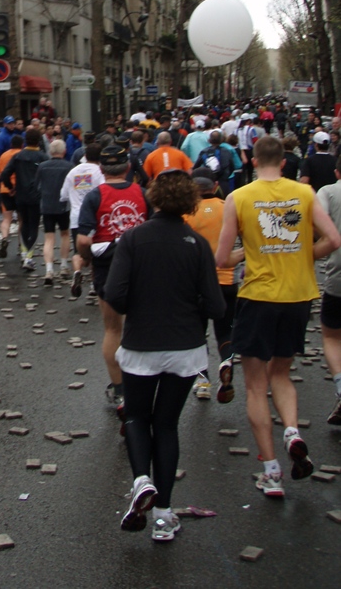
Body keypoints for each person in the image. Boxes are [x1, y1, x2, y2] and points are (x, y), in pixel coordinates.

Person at [215, 135, 341, 499]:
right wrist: (304, 256)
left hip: (258, 296)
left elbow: (222, 258)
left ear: (253, 161)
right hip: (298, 295)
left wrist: (246, 254)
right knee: (282, 375)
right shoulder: (304, 195)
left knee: (256, 386)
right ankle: (291, 431)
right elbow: (333, 238)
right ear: (284, 163)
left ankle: (271, 472)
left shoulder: (238, 198)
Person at [106, 169, 225, 542]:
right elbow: (217, 305)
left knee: (139, 418)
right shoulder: (196, 244)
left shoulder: (133, 239)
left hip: (142, 345)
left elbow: (116, 293)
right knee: (168, 424)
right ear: (191, 202)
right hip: (185, 347)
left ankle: (142, 480)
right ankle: (163, 515)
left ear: (154, 198)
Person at [76, 145, 150, 421]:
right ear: (128, 168)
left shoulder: (95, 196)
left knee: (112, 329)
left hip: (109, 268)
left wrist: (86, 259)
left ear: (101, 169)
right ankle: (143, 384)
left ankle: (120, 390)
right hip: (141, 266)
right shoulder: (143, 194)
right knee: (140, 326)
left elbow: (84, 240)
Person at [184, 167, 239, 402]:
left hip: (197, 283)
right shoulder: (229, 207)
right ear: (214, 186)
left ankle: (202, 379)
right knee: (225, 330)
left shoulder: (187, 212)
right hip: (227, 280)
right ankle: (226, 360)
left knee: (197, 333)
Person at [0, 128, 48, 271]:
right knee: (33, 225)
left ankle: (23, 253)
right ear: (39, 141)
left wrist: (11, 187)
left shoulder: (18, 157)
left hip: (20, 195)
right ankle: (28, 256)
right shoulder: (43, 157)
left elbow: (4, 175)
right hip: (36, 196)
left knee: (24, 223)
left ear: (25, 140)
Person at [315, 156, 341, 426]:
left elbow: (315, 224)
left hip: (338, 277)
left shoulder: (329, 191)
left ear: (337, 171)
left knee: (332, 335)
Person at [60, 142, 104, 298]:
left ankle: (77, 271)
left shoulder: (73, 172)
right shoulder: (100, 172)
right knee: (96, 252)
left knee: (79, 251)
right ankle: (93, 285)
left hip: (76, 218)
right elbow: (103, 193)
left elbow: (63, 195)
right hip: (94, 217)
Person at [36, 139, 72, 284]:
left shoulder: (43, 166)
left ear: (50, 152)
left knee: (49, 238)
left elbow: (37, 185)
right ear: (63, 151)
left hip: (47, 205)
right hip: (63, 205)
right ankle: (63, 265)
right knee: (64, 234)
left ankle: (49, 270)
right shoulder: (69, 166)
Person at [0, 134, 23, 259]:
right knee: (22, 219)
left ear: (11, 144)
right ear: (22, 144)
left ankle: (4, 238)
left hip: (5, 189)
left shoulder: (4, 156)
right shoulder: (23, 155)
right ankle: (21, 244)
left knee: (7, 218)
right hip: (19, 190)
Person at [193, 129, 234, 198]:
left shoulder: (204, 151)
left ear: (209, 140)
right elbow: (232, 167)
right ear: (221, 140)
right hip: (223, 183)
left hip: (208, 184)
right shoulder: (226, 151)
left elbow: (196, 167)